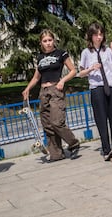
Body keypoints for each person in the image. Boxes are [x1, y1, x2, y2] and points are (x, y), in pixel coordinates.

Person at [22, 29, 80, 162]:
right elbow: (36, 77)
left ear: (53, 41)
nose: (48, 43)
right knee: (47, 124)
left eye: (50, 40)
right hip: (43, 92)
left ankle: (73, 143)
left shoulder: (61, 53)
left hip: (56, 89)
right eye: (45, 41)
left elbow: (73, 71)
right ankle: (56, 153)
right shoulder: (40, 57)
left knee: (56, 122)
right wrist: (27, 89)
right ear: (41, 43)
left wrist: (62, 81)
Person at [78, 22, 112, 160]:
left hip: (111, 86)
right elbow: (80, 73)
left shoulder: (108, 50)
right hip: (96, 88)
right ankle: (106, 149)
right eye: (96, 34)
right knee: (101, 120)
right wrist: (91, 68)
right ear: (91, 36)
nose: (99, 37)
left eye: (101, 34)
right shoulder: (86, 53)